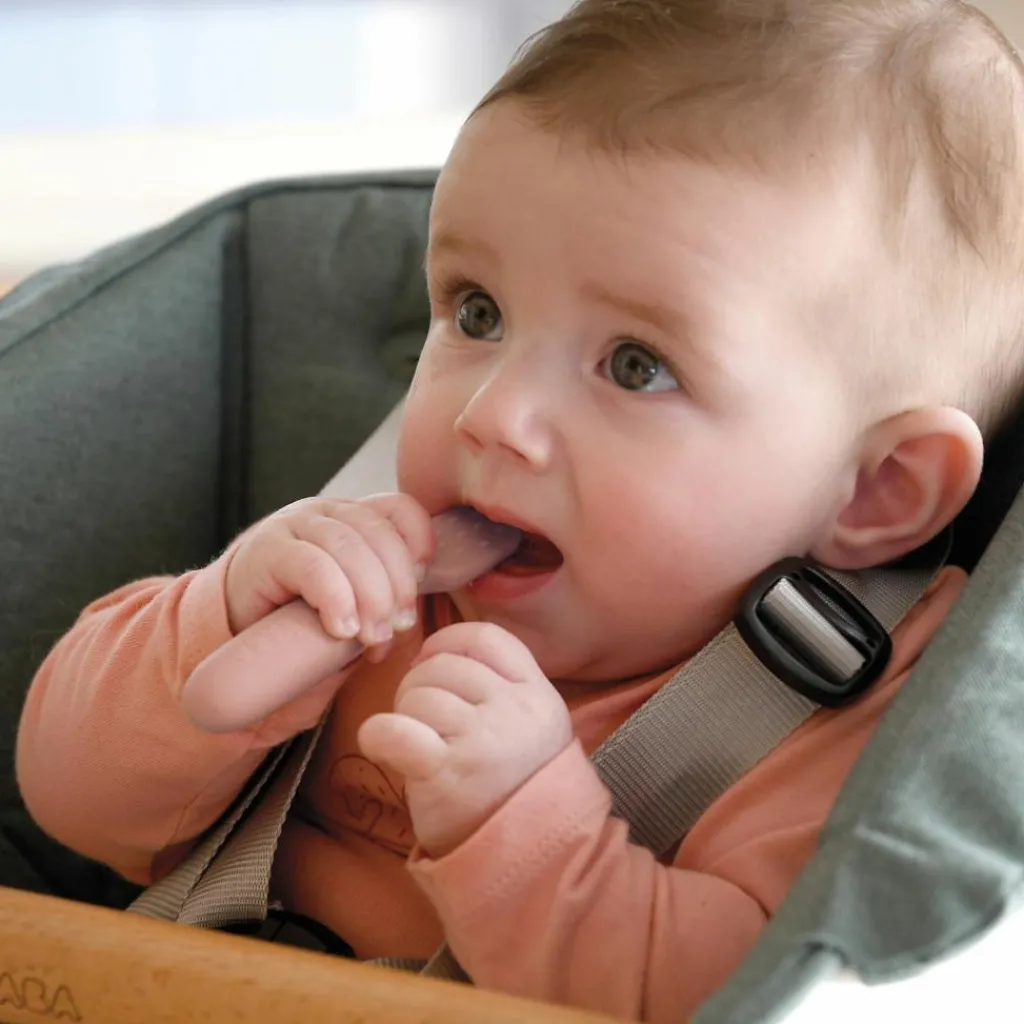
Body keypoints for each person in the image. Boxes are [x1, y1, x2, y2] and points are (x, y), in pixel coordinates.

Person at [16, 1, 1024, 1019]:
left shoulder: (842, 704)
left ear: (875, 488)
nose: (493, 415)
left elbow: (735, 997)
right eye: (478, 312)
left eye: (637, 367)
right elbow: (68, 805)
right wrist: (215, 620)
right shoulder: (359, 560)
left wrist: (525, 831)